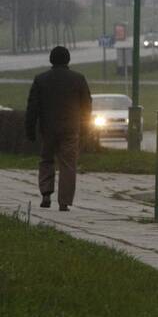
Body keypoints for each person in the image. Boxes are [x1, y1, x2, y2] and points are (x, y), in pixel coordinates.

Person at [24, 45, 91, 211]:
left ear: (51, 60)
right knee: (68, 164)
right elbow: (87, 106)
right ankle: (64, 201)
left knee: (46, 160)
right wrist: (85, 128)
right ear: (68, 59)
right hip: (70, 129)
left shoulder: (40, 79)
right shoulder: (78, 79)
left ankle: (46, 194)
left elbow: (32, 107)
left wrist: (30, 129)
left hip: (48, 129)